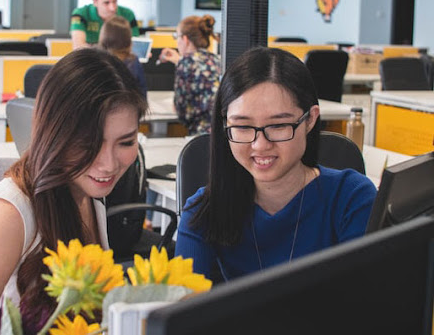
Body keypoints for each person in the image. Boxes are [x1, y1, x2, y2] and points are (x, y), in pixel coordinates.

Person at [0, 48, 147, 334]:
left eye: (125, 143)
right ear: (54, 134)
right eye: (88, 145)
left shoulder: (88, 195)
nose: (109, 164)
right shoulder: (11, 214)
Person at [174, 47, 377, 282]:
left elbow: (366, 304)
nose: (260, 145)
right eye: (242, 126)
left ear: (310, 119)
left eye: (278, 126)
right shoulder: (203, 211)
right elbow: (184, 308)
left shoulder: (351, 197)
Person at [158, 14, 221, 135]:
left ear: (185, 39)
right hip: (222, 132)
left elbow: (182, 113)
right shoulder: (215, 59)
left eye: (177, 37)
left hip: (202, 135)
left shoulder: (186, 62)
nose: (177, 42)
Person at [99, 15, 147, 99]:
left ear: (104, 37)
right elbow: (142, 93)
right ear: (128, 39)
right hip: (130, 109)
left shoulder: (97, 61)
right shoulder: (133, 63)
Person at [70, 0, 139, 49]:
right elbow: (78, 46)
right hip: (90, 59)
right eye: (106, 3)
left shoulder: (128, 14)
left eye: (115, 1)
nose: (113, 8)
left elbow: (134, 43)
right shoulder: (80, 14)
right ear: (95, 2)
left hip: (118, 60)